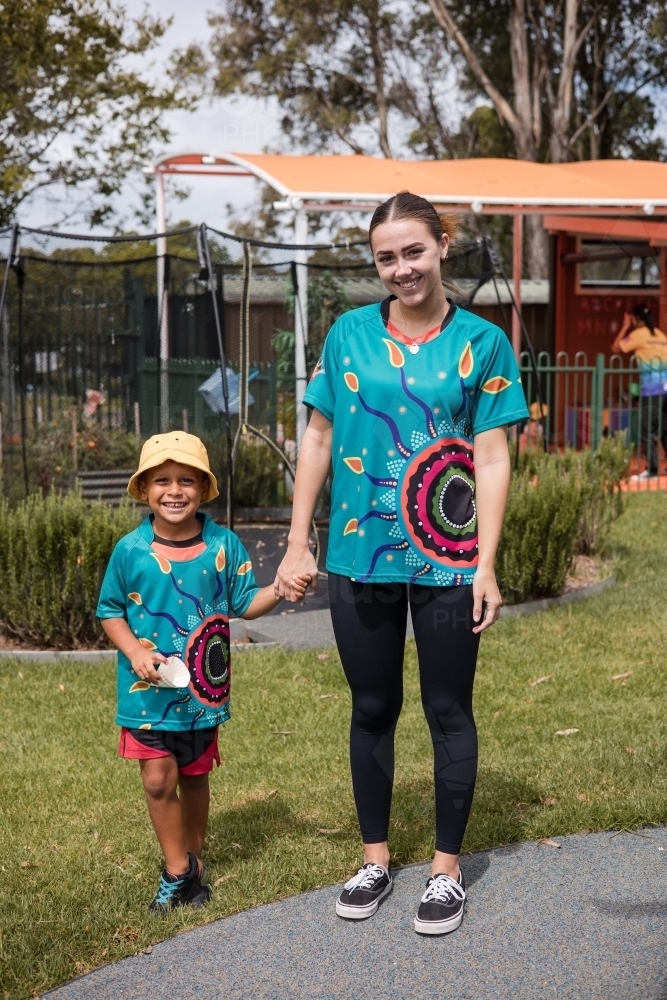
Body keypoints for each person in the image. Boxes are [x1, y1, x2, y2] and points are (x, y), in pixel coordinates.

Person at [275, 191, 528, 936]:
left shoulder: (482, 344)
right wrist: (297, 539)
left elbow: (491, 455)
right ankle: (376, 859)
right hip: (360, 554)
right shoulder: (347, 336)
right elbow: (318, 438)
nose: (400, 268)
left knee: (446, 707)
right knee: (371, 707)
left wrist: (484, 562)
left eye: (412, 251)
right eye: (386, 256)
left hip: (449, 560)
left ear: (442, 246)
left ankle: (445, 871)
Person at [97, 431, 309, 912]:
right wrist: (134, 652)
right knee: (157, 780)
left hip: (201, 695)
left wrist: (280, 587)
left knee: (193, 777)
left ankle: (193, 862)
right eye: (163, 480)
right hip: (145, 694)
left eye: (186, 480)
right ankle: (175, 870)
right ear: (145, 489)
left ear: (203, 488)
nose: (175, 490)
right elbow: (110, 610)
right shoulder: (130, 551)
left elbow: (244, 604)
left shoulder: (223, 545)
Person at [611, 304, 667, 480]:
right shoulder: (660, 335)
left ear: (635, 319)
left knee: (645, 427)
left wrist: (625, 326)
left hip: (652, 389)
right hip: (666, 389)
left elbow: (616, 348)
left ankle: (652, 469)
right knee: (664, 428)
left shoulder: (638, 335)